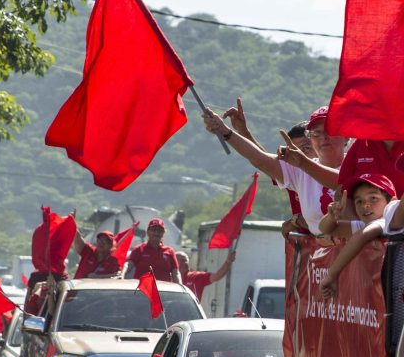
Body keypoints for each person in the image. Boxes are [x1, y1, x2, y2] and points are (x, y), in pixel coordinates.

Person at [205, 103, 345, 234]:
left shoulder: (358, 165)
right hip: (320, 256)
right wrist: (225, 131)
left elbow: (338, 181)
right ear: (310, 137)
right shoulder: (299, 170)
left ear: (346, 135)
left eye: (330, 130)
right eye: (316, 133)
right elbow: (260, 159)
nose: (323, 137)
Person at [125, 218, 181, 283]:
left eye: (159, 231)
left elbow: (176, 273)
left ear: (163, 233)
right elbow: (128, 265)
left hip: (163, 290)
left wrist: (181, 286)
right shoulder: (139, 249)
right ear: (148, 232)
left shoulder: (169, 251)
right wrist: (121, 275)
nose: (156, 233)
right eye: (154, 230)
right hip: (142, 290)